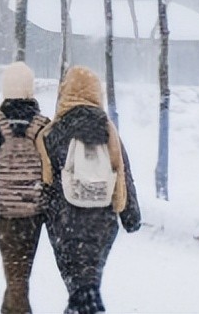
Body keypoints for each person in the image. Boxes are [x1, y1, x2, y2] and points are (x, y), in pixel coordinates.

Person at [36, 65, 141, 314]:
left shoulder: (53, 132)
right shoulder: (109, 131)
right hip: (102, 222)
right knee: (88, 283)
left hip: (65, 223)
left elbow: (46, 180)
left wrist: (44, 215)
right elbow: (123, 173)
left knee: (79, 287)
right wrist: (131, 217)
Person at [0, 61, 50, 314]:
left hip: (2, 212)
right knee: (20, 272)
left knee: (15, 272)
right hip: (33, 212)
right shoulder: (43, 125)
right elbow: (53, 165)